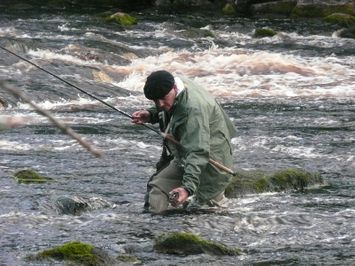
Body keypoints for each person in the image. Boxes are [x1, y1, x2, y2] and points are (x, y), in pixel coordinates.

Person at [132, 70, 237, 214]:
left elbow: (198, 152)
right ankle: (154, 229)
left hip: (213, 162)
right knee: (157, 189)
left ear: (174, 88)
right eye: (155, 101)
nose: (160, 104)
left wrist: (187, 188)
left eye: (162, 98)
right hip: (186, 155)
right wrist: (151, 114)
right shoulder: (172, 85)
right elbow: (169, 108)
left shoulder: (193, 110)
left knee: (207, 210)